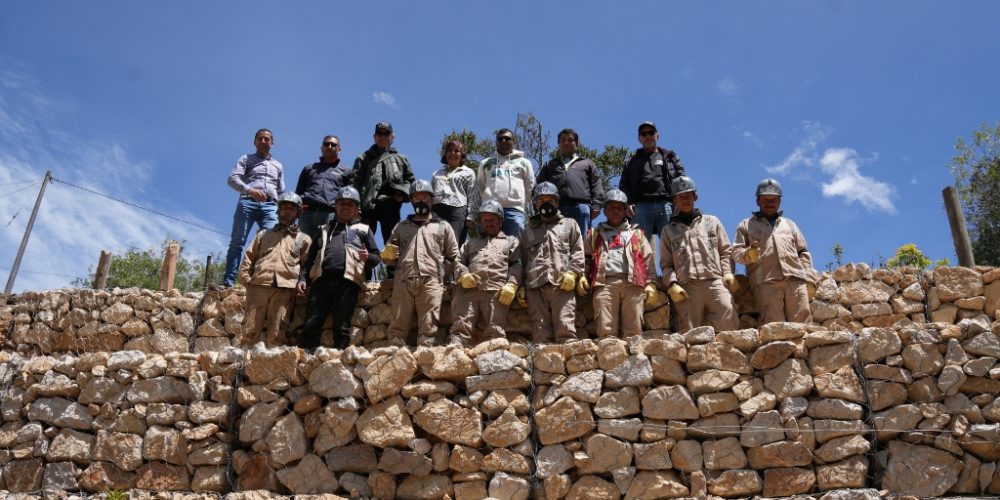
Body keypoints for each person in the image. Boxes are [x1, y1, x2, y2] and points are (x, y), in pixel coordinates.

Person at [296, 187, 380, 350]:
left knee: (342, 325)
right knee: (311, 322)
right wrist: (302, 278)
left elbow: (377, 257)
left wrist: (367, 257)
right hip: (321, 281)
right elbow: (310, 258)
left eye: (350, 204)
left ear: (356, 209)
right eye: (342, 203)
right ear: (335, 206)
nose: (345, 207)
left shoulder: (364, 230)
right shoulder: (323, 229)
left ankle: (339, 361)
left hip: (348, 282)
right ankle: (305, 360)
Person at [381, 180, 460, 346]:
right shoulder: (401, 227)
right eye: (416, 198)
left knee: (429, 327)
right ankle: (395, 353)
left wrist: (450, 274)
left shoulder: (443, 226)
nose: (421, 201)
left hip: (432, 282)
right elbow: (389, 258)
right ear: (411, 201)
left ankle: (425, 355)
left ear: (432, 200)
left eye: (424, 197)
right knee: (397, 325)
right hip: (403, 280)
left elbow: (454, 257)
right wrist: (386, 255)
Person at [659, 176, 739, 333]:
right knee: (689, 330)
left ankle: (729, 355)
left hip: (715, 281)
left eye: (688, 196)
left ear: (695, 197)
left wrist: (728, 273)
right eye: (680, 197)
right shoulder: (668, 231)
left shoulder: (712, 222)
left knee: (728, 312)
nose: (685, 200)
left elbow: (725, 251)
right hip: (687, 286)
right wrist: (673, 284)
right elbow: (666, 264)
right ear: (675, 200)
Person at [732, 178, 817, 325]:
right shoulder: (746, 225)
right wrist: (748, 255)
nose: (770, 203)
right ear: (758, 201)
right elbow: (736, 253)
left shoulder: (790, 225)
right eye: (765, 199)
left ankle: (800, 349)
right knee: (774, 327)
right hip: (765, 283)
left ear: (780, 201)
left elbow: (803, 252)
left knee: (803, 326)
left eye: (774, 199)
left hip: (795, 280)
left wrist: (808, 277)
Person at [238, 192, 311, 347]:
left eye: (291, 208)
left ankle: (271, 367)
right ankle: (242, 367)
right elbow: (249, 257)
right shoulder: (263, 235)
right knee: (249, 331)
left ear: (298, 213)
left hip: (285, 289)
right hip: (259, 285)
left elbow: (306, 265)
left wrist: (301, 283)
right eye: (284, 207)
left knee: (277, 333)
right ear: (278, 211)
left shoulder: (303, 239)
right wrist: (246, 279)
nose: (287, 211)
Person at [584, 189, 660, 338]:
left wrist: (651, 283)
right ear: (605, 210)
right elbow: (585, 258)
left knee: (634, 331)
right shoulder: (594, 235)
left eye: (619, 208)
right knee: (606, 331)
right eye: (611, 207)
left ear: (626, 211)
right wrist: (583, 277)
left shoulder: (636, 234)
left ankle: (635, 359)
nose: (615, 211)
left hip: (633, 284)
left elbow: (648, 260)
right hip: (604, 284)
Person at [448, 200, 522, 347]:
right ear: (480, 222)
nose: (488, 223)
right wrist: (463, 275)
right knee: (460, 325)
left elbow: (517, 264)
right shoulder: (470, 243)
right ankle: (455, 351)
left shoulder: (511, 241)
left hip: (497, 291)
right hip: (468, 291)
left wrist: (512, 284)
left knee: (495, 329)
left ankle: (496, 354)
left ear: (500, 221)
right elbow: (458, 261)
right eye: (485, 220)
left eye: (492, 219)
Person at [520, 182, 585, 343]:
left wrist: (574, 273)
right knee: (540, 332)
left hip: (562, 284)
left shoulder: (570, 224)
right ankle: (543, 365)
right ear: (535, 204)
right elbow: (521, 260)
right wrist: (520, 284)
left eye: (550, 199)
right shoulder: (527, 231)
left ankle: (569, 360)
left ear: (557, 202)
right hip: (535, 287)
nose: (546, 203)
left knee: (566, 328)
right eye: (541, 200)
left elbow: (578, 252)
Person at [222, 128, 285, 288]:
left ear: (272, 142)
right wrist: (250, 190)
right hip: (247, 202)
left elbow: (281, 191)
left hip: (271, 206)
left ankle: (263, 282)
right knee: (237, 242)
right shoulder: (246, 158)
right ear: (255, 142)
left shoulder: (278, 165)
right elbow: (232, 179)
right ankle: (228, 283)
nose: (263, 141)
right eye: (260, 139)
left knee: (271, 243)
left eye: (266, 139)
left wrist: (283, 209)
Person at [618, 121, 686, 245]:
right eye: (644, 134)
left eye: (651, 132)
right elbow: (623, 185)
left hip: (666, 205)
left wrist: (680, 199)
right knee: (637, 248)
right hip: (640, 207)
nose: (648, 136)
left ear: (657, 136)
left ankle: (673, 265)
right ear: (639, 138)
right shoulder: (631, 161)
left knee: (674, 245)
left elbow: (681, 178)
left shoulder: (669, 157)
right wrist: (627, 204)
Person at [353, 121, 415, 243]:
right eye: (379, 134)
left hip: (391, 205)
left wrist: (402, 195)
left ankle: (391, 263)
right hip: (367, 207)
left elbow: (412, 183)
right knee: (362, 244)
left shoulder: (401, 159)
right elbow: (354, 182)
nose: (383, 137)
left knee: (393, 244)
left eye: (386, 134)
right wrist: (356, 207)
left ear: (392, 137)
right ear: (374, 137)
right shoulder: (363, 158)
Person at [467, 128, 535, 238]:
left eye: (507, 138)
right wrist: (475, 212)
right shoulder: (486, 163)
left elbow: (530, 186)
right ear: (496, 142)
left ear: (514, 141)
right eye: (500, 139)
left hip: (515, 210)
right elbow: (480, 187)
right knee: (488, 248)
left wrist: (519, 201)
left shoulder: (524, 163)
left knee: (515, 248)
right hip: (490, 211)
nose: (503, 141)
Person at [537, 128, 604, 235]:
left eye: (570, 140)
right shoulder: (550, 164)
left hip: (581, 207)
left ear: (576, 143)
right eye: (562, 140)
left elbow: (596, 183)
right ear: (558, 144)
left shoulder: (587, 163)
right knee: (556, 241)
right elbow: (539, 186)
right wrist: (539, 206)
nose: (566, 142)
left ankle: (582, 252)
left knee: (581, 242)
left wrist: (597, 204)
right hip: (556, 208)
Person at [295, 135, 353, 238]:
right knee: (302, 249)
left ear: (339, 148)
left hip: (330, 214)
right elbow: (298, 194)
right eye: (326, 144)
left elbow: (350, 198)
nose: (330, 147)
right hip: (307, 214)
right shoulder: (309, 169)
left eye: (333, 145)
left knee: (325, 249)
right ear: (321, 148)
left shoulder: (346, 172)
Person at [432, 140, 476, 245]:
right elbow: (430, 195)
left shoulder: (468, 173)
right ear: (445, 154)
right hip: (436, 210)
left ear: (462, 155)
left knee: (453, 243)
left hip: (457, 210)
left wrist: (471, 215)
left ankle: (451, 261)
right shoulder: (437, 173)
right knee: (434, 242)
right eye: (450, 150)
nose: (453, 153)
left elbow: (473, 195)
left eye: (457, 151)